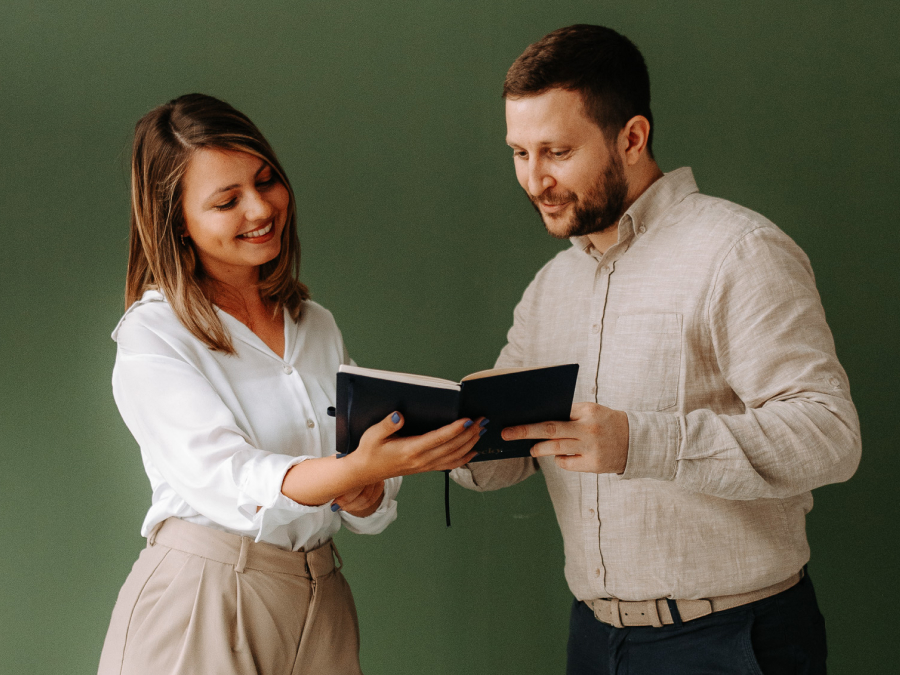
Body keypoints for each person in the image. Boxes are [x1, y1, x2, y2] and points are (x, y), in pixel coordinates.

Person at [451, 24, 860, 674]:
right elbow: (516, 450)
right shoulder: (550, 286)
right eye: (519, 152)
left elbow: (829, 437)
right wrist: (457, 442)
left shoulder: (740, 254)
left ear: (633, 137)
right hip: (592, 637)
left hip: (732, 640)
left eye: (556, 151)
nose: (534, 180)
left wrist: (641, 443)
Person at [97, 93, 484, 675]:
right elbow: (230, 478)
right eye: (227, 201)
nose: (260, 209)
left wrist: (366, 488)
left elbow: (359, 484)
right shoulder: (153, 334)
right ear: (175, 220)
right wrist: (355, 471)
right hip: (203, 599)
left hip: (320, 594)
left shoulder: (314, 322)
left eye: (267, 180)